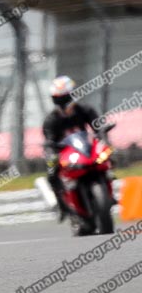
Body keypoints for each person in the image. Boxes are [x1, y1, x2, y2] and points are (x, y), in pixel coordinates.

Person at [42, 75, 104, 222]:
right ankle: (62, 205)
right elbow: (49, 141)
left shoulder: (85, 110)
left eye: (65, 97)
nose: (63, 102)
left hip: (85, 148)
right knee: (52, 173)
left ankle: (108, 181)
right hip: (64, 153)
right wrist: (52, 153)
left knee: (107, 157)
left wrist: (102, 139)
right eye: (59, 98)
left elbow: (99, 128)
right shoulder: (51, 120)